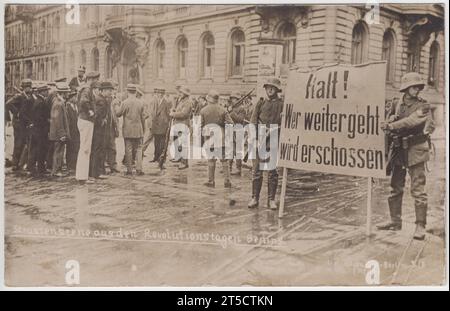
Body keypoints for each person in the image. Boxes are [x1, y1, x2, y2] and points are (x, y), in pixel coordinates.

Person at [377, 72, 435, 240]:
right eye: (414, 87)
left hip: (416, 149)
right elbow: (390, 119)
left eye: (418, 87)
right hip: (399, 149)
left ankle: (420, 226)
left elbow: (411, 121)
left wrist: (391, 125)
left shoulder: (424, 106)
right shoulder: (396, 103)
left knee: (418, 189)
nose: (417, 90)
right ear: (406, 88)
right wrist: (389, 120)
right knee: (395, 186)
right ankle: (395, 221)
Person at [248, 78, 284, 210]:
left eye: (272, 88)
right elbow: (253, 121)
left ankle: (271, 200)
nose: (270, 90)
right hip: (259, 140)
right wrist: (255, 139)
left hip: (274, 140)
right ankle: (254, 198)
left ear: (277, 90)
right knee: (257, 171)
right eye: (268, 87)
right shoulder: (260, 103)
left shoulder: (282, 104)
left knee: (272, 172)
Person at [200, 90, 234, 188]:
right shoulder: (223, 110)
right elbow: (231, 124)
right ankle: (227, 181)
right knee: (224, 160)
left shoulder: (203, 110)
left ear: (208, 99)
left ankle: (211, 181)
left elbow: (201, 126)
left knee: (211, 160)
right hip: (221, 139)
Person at [116, 84, 146, 176]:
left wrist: (116, 106)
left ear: (128, 92)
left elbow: (118, 114)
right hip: (138, 129)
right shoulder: (141, 102)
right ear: (136, 92)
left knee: (128, 149)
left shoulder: (125, 102)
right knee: (139, 149)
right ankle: (139, 169)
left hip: (128, 130)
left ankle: (129, 170)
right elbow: (144, 116)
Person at [75, 71, 100, 184]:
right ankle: (81, 177)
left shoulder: (84, 88)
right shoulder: (87, 89)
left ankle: (83, 176)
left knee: (85, 149)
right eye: (96, 79)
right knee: (85, 149)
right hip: (86, 120)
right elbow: (84, 102)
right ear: (91, 79)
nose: (97, 82)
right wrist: (90, 112)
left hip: (84, 120)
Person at [5, 79, 34, 172]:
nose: (29, 88)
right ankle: (15, 164)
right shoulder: (19, 96)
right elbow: (7, 104)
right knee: (18, 143)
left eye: (29, 87)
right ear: (24, 88)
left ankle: (20, 163)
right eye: (27, 87)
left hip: (24, 123)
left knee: (24, 142)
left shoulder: (28, 96)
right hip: (18, 123)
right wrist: (16, 112)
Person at [89, 81, 113, 179]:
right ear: (104, 90)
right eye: (109, 90)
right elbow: (97, 114)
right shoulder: (101, 100)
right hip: (99, 129)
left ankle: (97, 172)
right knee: (97, 149)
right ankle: (95, 173)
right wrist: (101, 120)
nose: (110, 92)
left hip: (100, 129)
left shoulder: (101, 99)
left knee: (99, 149)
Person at [49, 82, 71, 177]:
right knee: (58, 151)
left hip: (58, 132)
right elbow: (57, 120)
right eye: (66, 92)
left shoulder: (60, 102)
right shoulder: (58, 103)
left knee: (60, 151)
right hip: (58, 133)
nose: (68, 94)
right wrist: (62, 134)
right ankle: (56, 170)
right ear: (63, 93)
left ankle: (58, 169)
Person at [27, 84, 50, 176]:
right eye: (46, 91)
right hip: (40, 130)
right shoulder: (41, 102)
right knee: (39, 149)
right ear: (42, 92)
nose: (47, 92)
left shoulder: (38, 101)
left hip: (37, 129)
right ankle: (38, 169)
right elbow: (39, 117)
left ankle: (35, 168)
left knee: (36, 149)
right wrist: (47, 121)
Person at [169, 85, 192, 170]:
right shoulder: (181, 100)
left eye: (181, 92)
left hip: (183, 125)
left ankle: (184, 162)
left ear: (185, 94)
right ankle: (178, 157)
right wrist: (173, 110)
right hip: (177, 124)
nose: (180, 93)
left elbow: (184, 114)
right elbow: (178, 110)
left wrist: (173, 114)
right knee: (177, 142)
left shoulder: (188, 102)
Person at [148, 87, 171, 163]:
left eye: (161, 93)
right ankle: (156, 157)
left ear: (163, 94)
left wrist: (166, 123)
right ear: (157, 94)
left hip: (162, 125)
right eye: (158, 93)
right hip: (156, 124)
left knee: (162, 142)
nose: (160, 95)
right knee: (156, 142)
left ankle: (161, 159)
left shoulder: (166, 102)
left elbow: (168, 114)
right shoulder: (155, 101)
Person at [227, 91, 247, 176]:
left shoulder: (242, 108)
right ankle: (229, 167)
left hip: (238, 131)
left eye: (234, 99)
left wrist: (231, 112)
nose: (233, 100)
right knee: (230, 150)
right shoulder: (231, 107)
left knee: (237, 151)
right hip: (231, 130)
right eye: (232, 99)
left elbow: (240, 119)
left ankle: (238, 169)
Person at [103, 81, 120, 174]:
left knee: (112, 147)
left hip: (111, 127)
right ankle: (105, 165)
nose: (114, 92)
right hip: (105, 127)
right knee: (104, 146)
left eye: (115, 90)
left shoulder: (114, 100)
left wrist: (116, 127)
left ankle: (113, 165)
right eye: (112, 90)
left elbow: (115, 115)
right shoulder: (104, 99)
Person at [65, 90, 80, 175]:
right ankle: (69, 165)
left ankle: (74, 165)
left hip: (76, 130)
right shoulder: (68, 107)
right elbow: (68, 121)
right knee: (70, 148)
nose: (76, 98)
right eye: (74, 97)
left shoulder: (75, 106)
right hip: (71, 131)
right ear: (70, 98)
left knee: (76, 147)